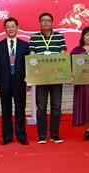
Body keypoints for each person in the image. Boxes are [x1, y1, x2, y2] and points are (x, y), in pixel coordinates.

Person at [29, 12, 67, 144]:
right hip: (41, 78)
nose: (45, 22)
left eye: (48, 20)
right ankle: (42, 135)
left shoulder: (59, 36)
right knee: (41, 107)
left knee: (56, 107)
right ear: (40, 22)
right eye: (43, 20)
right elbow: (32, 55)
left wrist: (64, 73)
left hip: (56, 77)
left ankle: (55, 134)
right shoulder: (34, 38)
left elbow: (63, 53)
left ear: (52, 23)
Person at [0, 17, 29, 145]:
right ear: (4, 29)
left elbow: (28, 65)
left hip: (20, 81)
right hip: (4, 82)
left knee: (20, 109)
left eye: (13, 26)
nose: (10, 29)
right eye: (8, 27)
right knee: (6, 109)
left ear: (17, 28)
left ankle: (21, 136)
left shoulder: (25, 45)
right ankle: (7, 136)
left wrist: (29, 81)